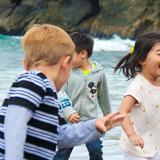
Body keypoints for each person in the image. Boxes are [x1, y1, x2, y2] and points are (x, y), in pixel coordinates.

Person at [0, 24, 125, 160]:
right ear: (66, 63)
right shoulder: (33, 82)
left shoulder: (47, 91)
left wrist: (93, 126)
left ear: (25, 63)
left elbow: (57, 135)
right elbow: (14, 126)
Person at [54, 32, 111, 160]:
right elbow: (60, 93)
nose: (66, 59)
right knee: (62, 154)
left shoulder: (99, 73)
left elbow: (103, 97)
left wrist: (109, 117)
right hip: (69, 121)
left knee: (96, 151)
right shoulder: (66, 71)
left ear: (83, 54)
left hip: (91, 121)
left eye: (69, 55)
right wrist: (68, 111)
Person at [114, 31, 160, 160]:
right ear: (142, 59)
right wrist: (132, 135)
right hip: (136, 149)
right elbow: (121, 112)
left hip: (155, 143)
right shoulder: (138, 86)